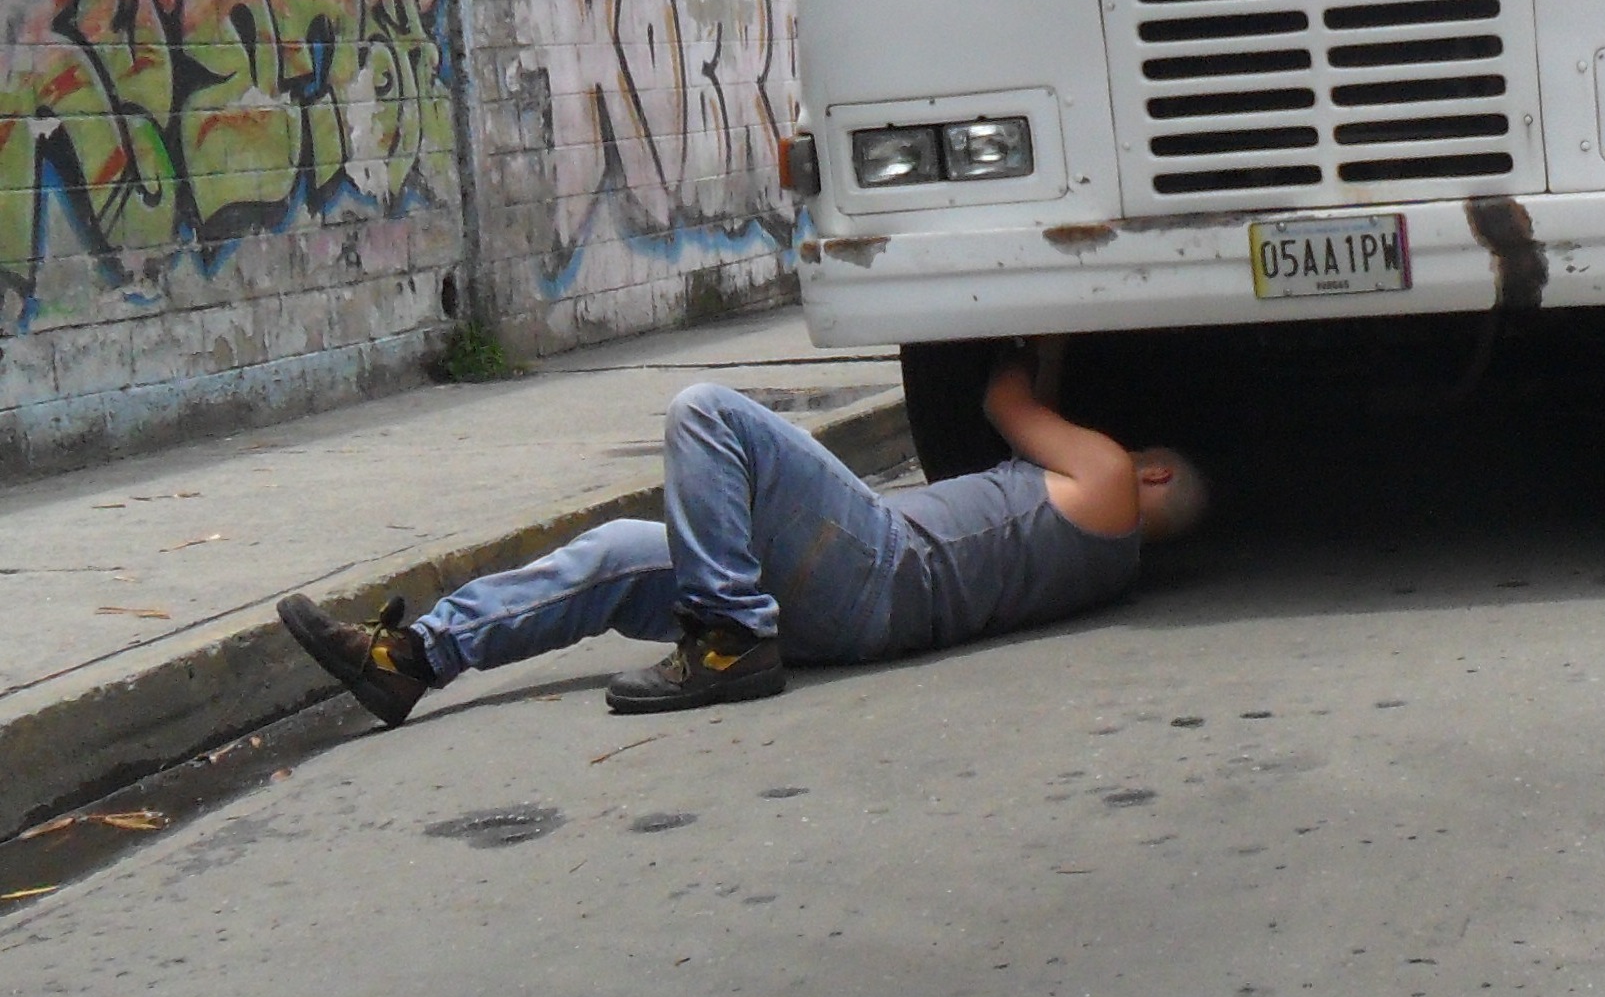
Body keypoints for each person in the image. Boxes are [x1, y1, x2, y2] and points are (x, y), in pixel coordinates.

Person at [277, 347, 1208, 723]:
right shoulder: (1099, 559)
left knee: (707, 413)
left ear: (1151, 475)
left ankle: (728, 637)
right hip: (849, 609)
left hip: (882, 568)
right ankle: (411, 657)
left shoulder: (1111, 486)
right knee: (608, 555)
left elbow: (1008, 399)